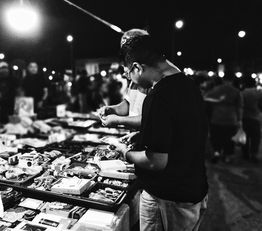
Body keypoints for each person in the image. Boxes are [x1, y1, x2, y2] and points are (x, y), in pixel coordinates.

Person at [111, 35, 208, 231]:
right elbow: (182, 133)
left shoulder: (158, 97)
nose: (130, 79)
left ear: (137, 67)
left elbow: (156, 161)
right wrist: (143, 135)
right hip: (193, 190)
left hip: (168, 198)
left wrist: (124, 152)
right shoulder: (188, 85)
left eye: (129, 73)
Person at [99, 28, 148, 130]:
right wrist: (112, 109)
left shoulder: (151, 80)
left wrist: (118, 120)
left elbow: (150, 119)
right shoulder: (133, 78)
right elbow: (128, 104)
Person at [204, 71, 243, 163]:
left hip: (216, 117)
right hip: (231, 118)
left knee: (216, 138)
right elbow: (240, 107)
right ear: (232, 80)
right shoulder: (236, 91)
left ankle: (216, 153)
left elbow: (206, 100)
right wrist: (239, 119)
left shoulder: (216, 90)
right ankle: (227, 156)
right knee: (229, 138)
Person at [241, 76, 262, 163]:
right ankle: (254, 154)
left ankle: (245, 153)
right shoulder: (259, 93)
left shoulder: (242, 93)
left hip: (244, 116)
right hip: (256, 117)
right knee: (255, 137)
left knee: (245, 136)